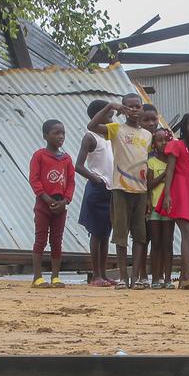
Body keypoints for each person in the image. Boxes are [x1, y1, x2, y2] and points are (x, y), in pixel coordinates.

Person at [88, 95, 154, 289]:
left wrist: (149, 195)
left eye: (137, 106)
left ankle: (135, 278)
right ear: (123, 109)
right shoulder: (116, 129)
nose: (134, 110)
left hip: (141, 191)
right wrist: (110, 105)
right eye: (130, 107)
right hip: (120, 189)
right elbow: (92, 126)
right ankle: (123, 278)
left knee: (140, 236)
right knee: (120, 235)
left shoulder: (147, 135)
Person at [161, 111, 189, 290]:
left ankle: (182, 278)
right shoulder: (177, 145)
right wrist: (167, 195)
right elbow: (169, 171)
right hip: (179, 193)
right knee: (187, 232)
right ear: (185, 127)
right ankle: (187, 275)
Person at [28, 120, 75, 288]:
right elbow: (34, 180)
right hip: (43, 204)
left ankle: (55, 276)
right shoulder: (39, 156)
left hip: (60, 205)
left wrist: (65, 201)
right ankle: (37, 277)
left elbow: (70, 182)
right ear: (45, 136)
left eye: (62, 133)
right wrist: (47, 199)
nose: (60, 136)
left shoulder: (67, 159)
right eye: (56, 133)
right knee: (40, 238)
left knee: (57, 240)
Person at [74, 99, 115, 287]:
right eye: (108, 114)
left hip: (111, 189)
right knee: (96, 234)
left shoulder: (111, 136)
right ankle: (96, 275)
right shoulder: (90, 137)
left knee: (106, 233)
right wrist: (95, 178)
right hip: (97, 188)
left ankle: (104, 274)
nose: (111, 117)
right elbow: (79, 166)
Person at [146, 129, 175, 289]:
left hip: (169, 208)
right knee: (156, 243)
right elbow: (149, 185)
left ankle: (168, 278)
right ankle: (156, 278)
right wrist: (164, 175)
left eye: (166, 140)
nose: (163, 143)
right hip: (155, 208)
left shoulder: (173, 161)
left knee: (168, 243)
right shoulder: (151, 162)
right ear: (154, 145)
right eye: (159, 140)